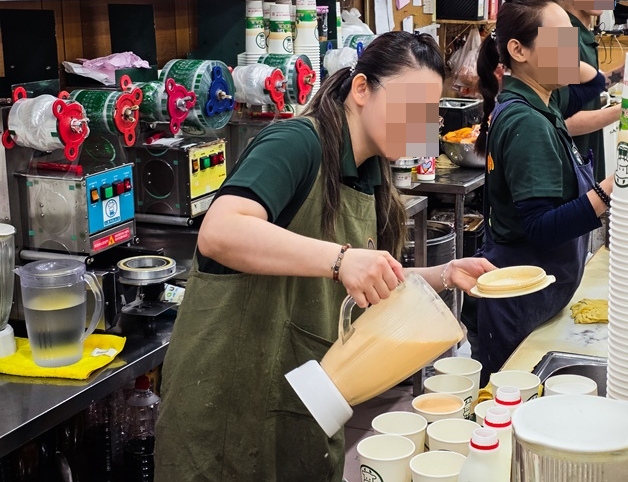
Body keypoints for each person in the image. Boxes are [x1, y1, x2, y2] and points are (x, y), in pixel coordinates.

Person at [154, 31, 496, 481]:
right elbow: (220, 232)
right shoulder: (296, 143)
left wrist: (445, 273)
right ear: (361, 90)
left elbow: (370, 275)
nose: (421, 126)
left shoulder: (372, 174)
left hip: (305, 403)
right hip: (226, 404)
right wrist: (340, 260)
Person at [461, 0, 613, 385]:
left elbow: (590, 83)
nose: (571, 52)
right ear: (518, 50)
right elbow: (541, 227)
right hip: (516, 300)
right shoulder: (527, 121)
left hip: (535, 298)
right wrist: (609, 191)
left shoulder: (540, 100)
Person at [546, 0, 623, 182]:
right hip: (564, 176)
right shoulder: (559, 34)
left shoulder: (581, 32)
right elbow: (562, 121)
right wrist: (627, 110)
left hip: (583, 168)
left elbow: (580, 89)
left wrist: (625, 73)